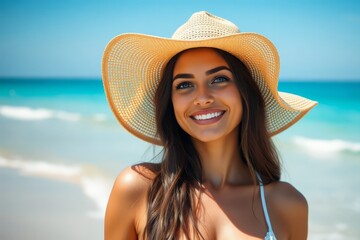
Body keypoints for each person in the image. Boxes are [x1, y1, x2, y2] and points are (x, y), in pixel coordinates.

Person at [102, 11, 317, 240]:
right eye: (184, 84)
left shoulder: (287, 204)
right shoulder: (137, 189)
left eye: (219, 79)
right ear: (170, 102)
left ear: (246, 93)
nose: (202, 97)